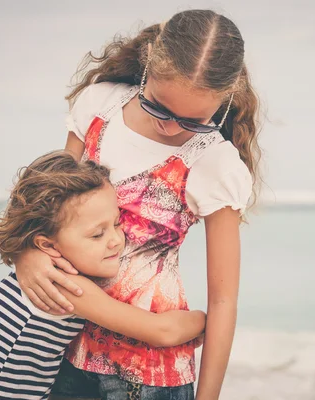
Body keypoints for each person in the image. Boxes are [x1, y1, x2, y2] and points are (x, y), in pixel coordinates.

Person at [16, 9, 262, 400]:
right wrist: (25, 254)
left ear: (225, 99)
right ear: (148, 67)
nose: (172, 128)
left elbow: (222, 300)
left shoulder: (215, 162)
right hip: (63, 348)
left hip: (150, 373)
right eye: (159, 107)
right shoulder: (100, 108)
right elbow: (49, 209)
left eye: (195, 121)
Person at [0, 152, 206, 400]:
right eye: (96, 234)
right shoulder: (63, 285)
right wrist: (203, 321)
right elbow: (162, 332)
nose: (116, 240)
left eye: (116, 223)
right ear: (46, 245)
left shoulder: (33, 267)